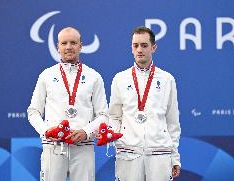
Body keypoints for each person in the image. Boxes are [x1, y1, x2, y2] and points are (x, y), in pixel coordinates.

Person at [27, 27, 108, 181]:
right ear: (58, 47)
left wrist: (86, 131)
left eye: (73, 43)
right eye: (64, 43)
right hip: (54, 147)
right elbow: (33, 111)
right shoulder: (46, 75)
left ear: (81, 46)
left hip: (83, 148)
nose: (69, 47)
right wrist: (46, 131)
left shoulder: (94, 77)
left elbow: (104, 115)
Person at [109, 26, 181, 181]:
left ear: (153, 47)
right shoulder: (120, 79)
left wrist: (174, 157)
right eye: (136, 46)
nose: (139, 49)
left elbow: (172, 123)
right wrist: (116, 139)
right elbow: (114, 116)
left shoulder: (167, 79)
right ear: (131, 49)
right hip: (129, 153)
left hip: (159, 154)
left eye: (144, 45)